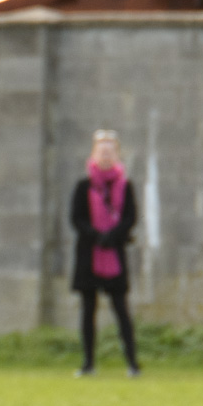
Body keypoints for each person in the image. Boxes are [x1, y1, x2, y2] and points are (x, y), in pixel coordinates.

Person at [70, 129, 140, 378]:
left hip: (114, 255)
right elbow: (76, 218)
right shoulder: (83, 186)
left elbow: (131, 217)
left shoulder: (125, 186)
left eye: (110, 152)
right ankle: (88, 363)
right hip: (89, 255)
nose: (106, 156)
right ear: (94, 154)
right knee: (88, 311)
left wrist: (113, 236)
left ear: (117, 155)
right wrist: (96, 235)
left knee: (121, 310)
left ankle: (133, 363)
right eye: (102, 151)